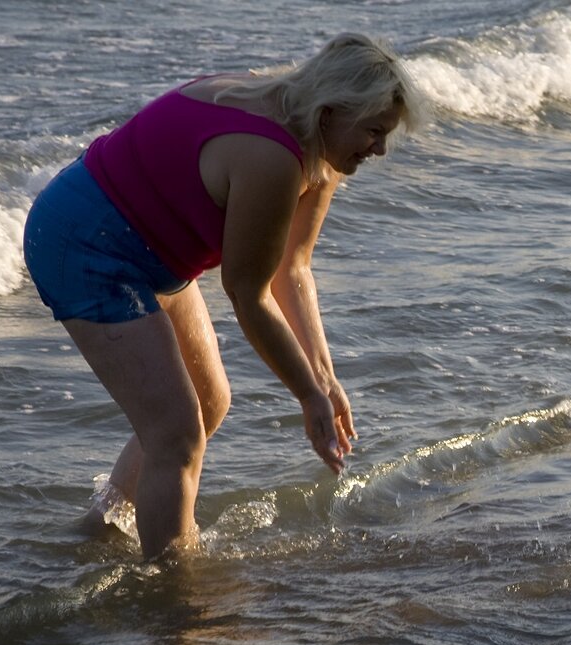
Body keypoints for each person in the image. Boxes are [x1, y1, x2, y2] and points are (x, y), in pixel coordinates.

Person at [22, 34, 430, 560]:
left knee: (209, 401)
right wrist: (307, 396)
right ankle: (175, 590)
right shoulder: (270, 156)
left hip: (147, 247)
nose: (379, 148)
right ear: (330, 111)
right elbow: (246, 293)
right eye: (374, 131)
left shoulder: (320, 150)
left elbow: (292, 269)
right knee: (176, 432)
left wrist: (324, 377)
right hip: (83, 240)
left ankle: (104, 525)